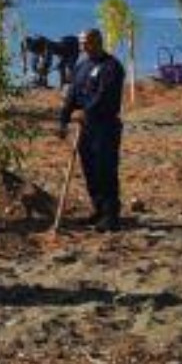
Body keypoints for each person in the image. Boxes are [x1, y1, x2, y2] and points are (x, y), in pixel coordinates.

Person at [59, 28, 125, 232]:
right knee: (90, 171)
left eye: (85, 42)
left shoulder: (112, 67)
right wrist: (64, 117)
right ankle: (98, 209)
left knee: (105, 170)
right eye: (80, 43)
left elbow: (105, 96)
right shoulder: (81, 65)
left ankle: (110, 215)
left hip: (105, 126)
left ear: (97, 42)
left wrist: (87, 112)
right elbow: (73, 92)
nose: (81, 46)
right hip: (84, 129)